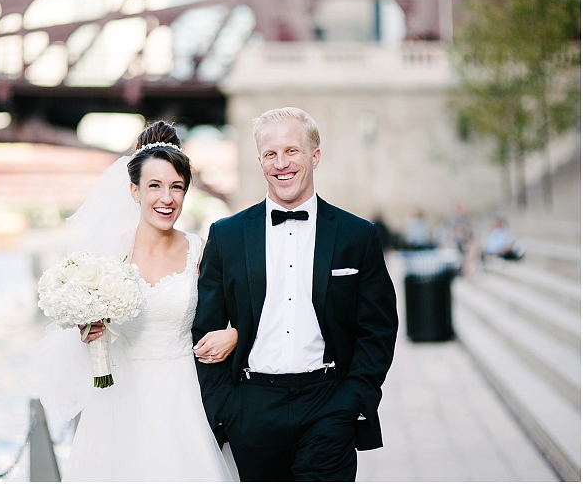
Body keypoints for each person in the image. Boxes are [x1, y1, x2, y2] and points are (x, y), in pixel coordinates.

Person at [192, 107, 398, 481]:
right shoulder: (227, 236)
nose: (280, 163)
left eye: (292, 151)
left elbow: (379, 327)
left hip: (328, 403)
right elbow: (202, 326)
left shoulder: (358, 236)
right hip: (251, 407)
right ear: (259, 161)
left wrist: (354, 398)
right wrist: (225, 405)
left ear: (314, 156)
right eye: (270, 154)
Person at [31, 121, 239, 481]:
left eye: (177, 187)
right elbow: (85, 331)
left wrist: (233, 334)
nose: (166, 198)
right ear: (134, 191)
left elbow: (233, 313)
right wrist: (87, 330)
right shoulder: (107, 257)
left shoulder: (199, 250)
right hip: (118, 398)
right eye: (155, 186)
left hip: (182, 392)